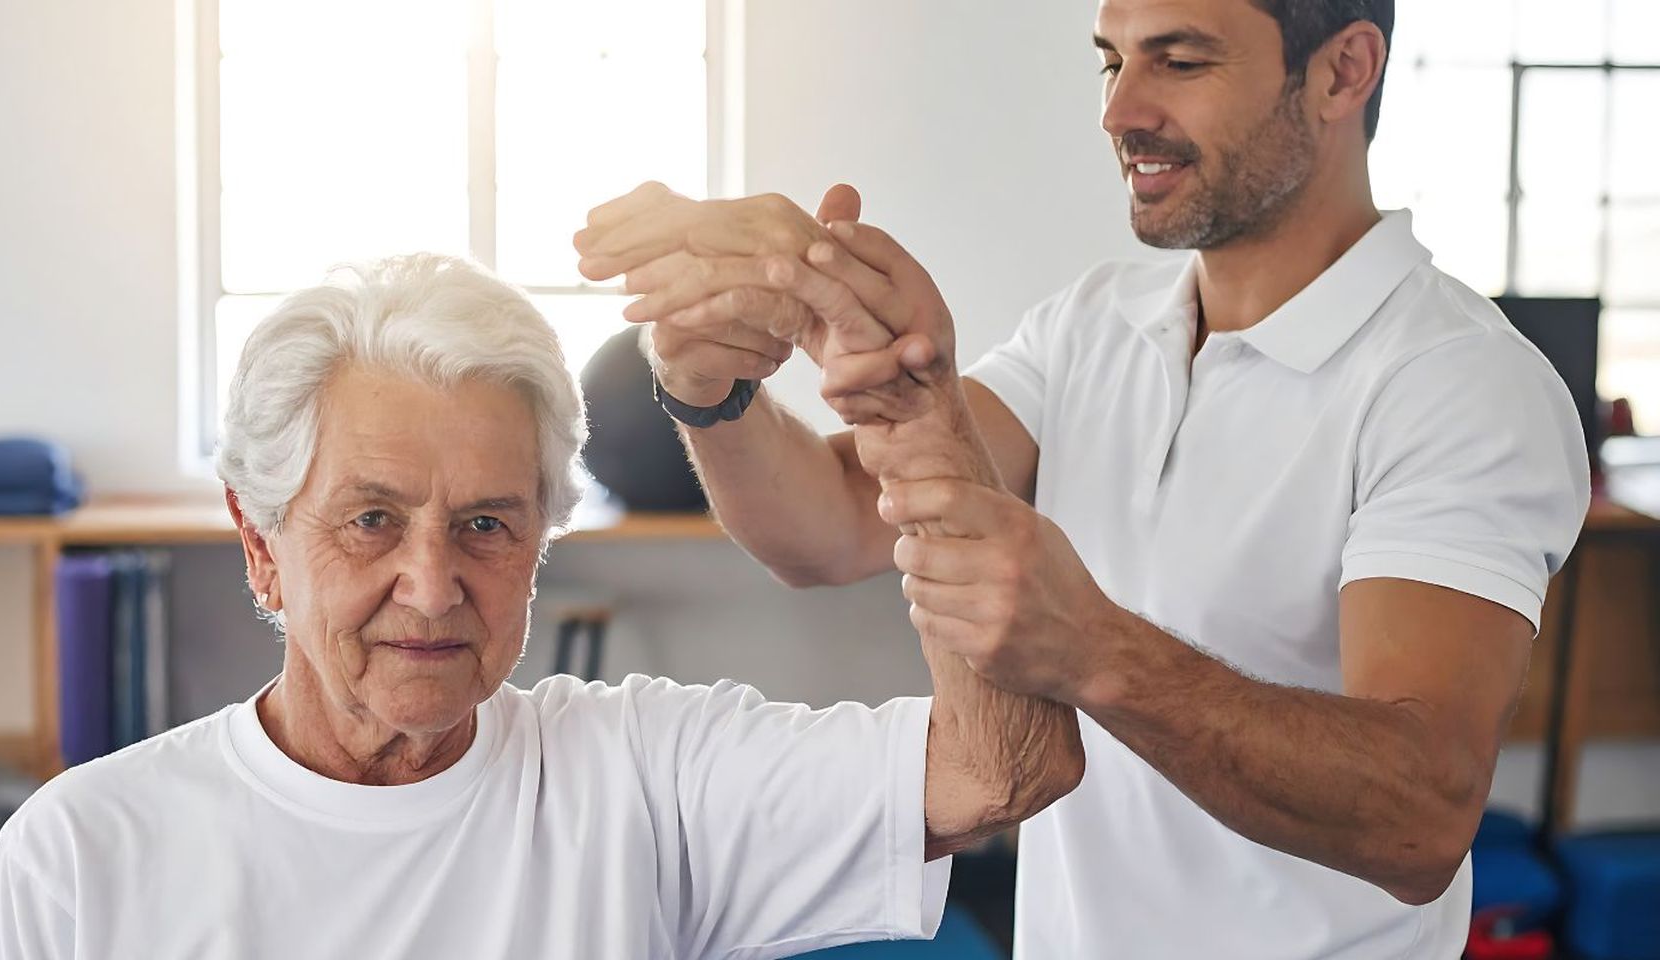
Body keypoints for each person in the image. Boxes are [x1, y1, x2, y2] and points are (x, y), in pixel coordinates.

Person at [571, 0, 1591, 956]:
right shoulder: (1094, 324)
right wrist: (711, 394)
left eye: (1180, 60)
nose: (1120, 111)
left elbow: (1420, 817)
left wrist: (1095, 648)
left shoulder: (1460, 383)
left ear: (1343, 72)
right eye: (1112, 59)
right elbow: (833, 528)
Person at [0, 253, 1083, 959]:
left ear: (540, 544)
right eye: (373, 520)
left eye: (488, 524)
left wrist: (914, 418)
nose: (434, 587)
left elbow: (1002, 769)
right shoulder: (85, 854)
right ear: (260, 542)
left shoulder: (640, 778)